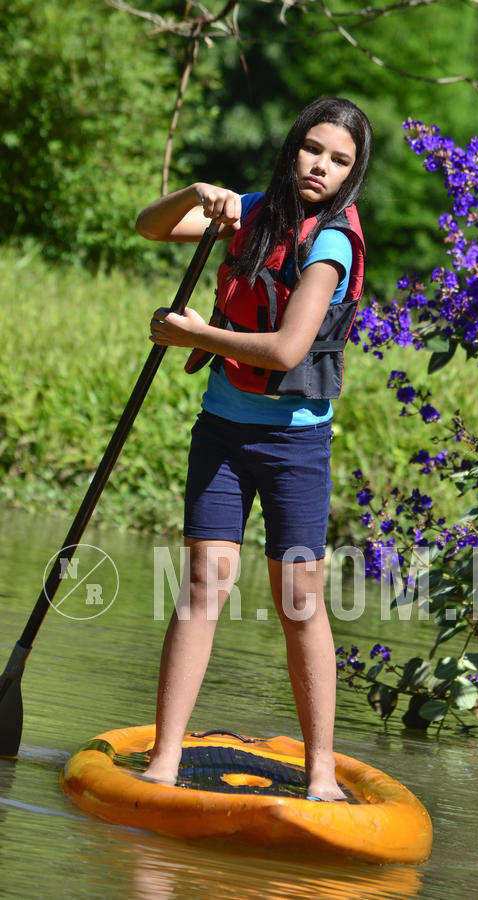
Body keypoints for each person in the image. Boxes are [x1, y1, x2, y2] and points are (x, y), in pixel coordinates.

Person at [136, 97, 372, 800]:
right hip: (224, 429)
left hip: (296, 444)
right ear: (292, 146)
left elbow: (286, 347)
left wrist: (194, 335)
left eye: (339, 161)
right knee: (204, 584)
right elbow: (149, 228)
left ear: (352, 175)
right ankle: (165, 760)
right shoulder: (251, 210)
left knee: (299, 601)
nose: (320, 167)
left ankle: (321, 771)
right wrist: (197, 193)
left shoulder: (329, 243)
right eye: (313, 150)